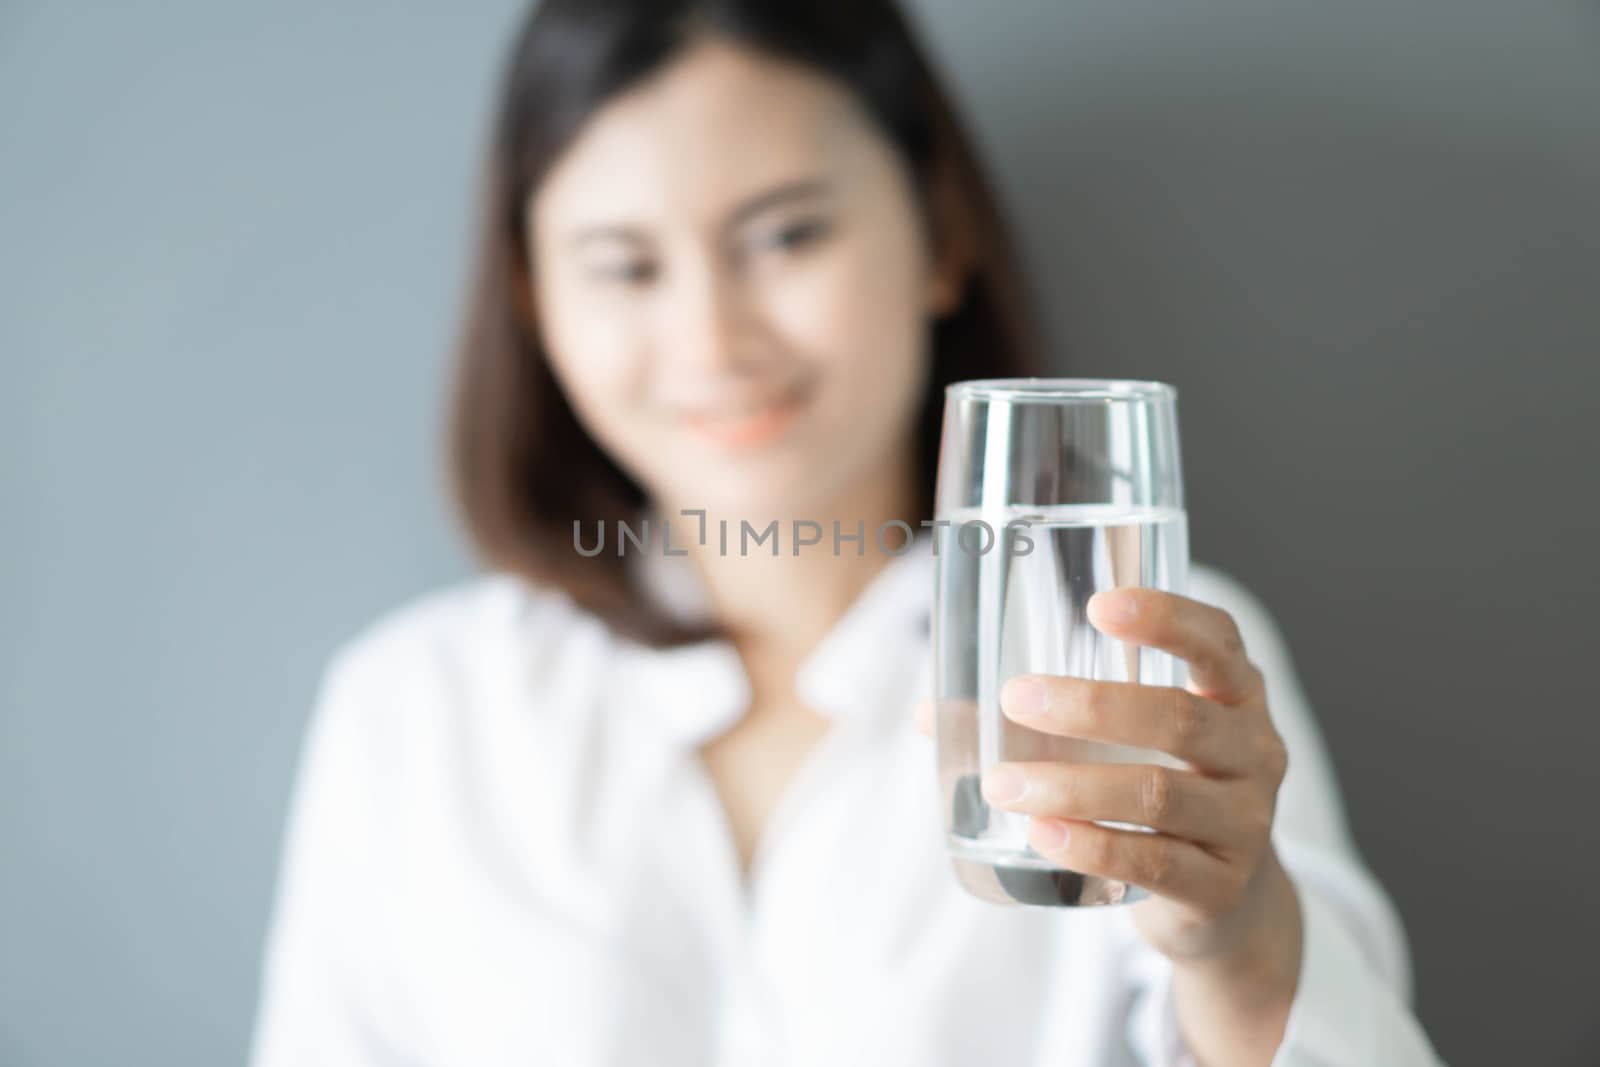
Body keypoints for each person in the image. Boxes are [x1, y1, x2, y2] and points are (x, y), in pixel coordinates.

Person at [249, 2, 1444, 1064]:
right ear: (536, 300)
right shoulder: (418, 710)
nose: (711, 340)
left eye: (786, 237)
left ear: (941, 232)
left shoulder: (1146, 656)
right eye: (623, 266)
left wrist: (1236, 940)